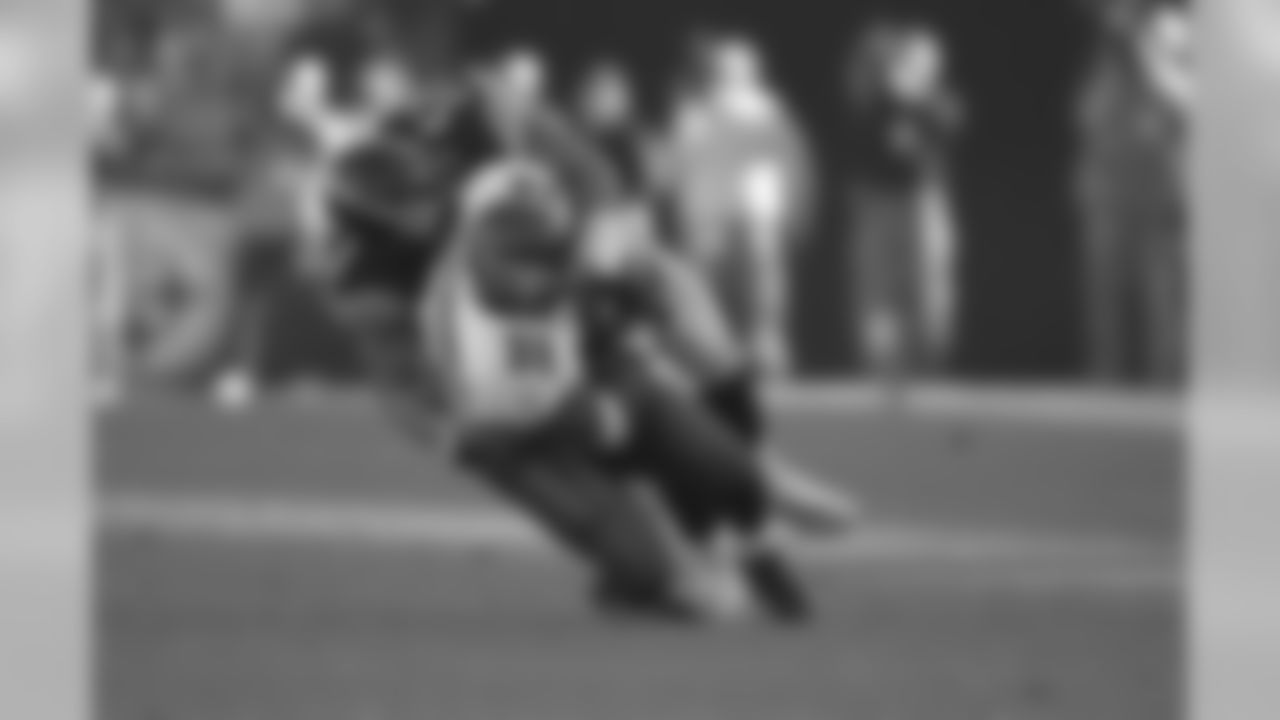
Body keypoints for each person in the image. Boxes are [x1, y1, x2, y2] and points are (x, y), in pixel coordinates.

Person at [844, 21, 964, 389]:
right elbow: (859, 136)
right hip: (876, 201)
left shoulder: (934, 102)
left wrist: (914, 98)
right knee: (878, 291)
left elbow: (950, 124)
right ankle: (883, 372)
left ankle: (926, 371)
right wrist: (891, 94)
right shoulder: (870, 100)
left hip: (920, 201)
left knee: (928, 290)